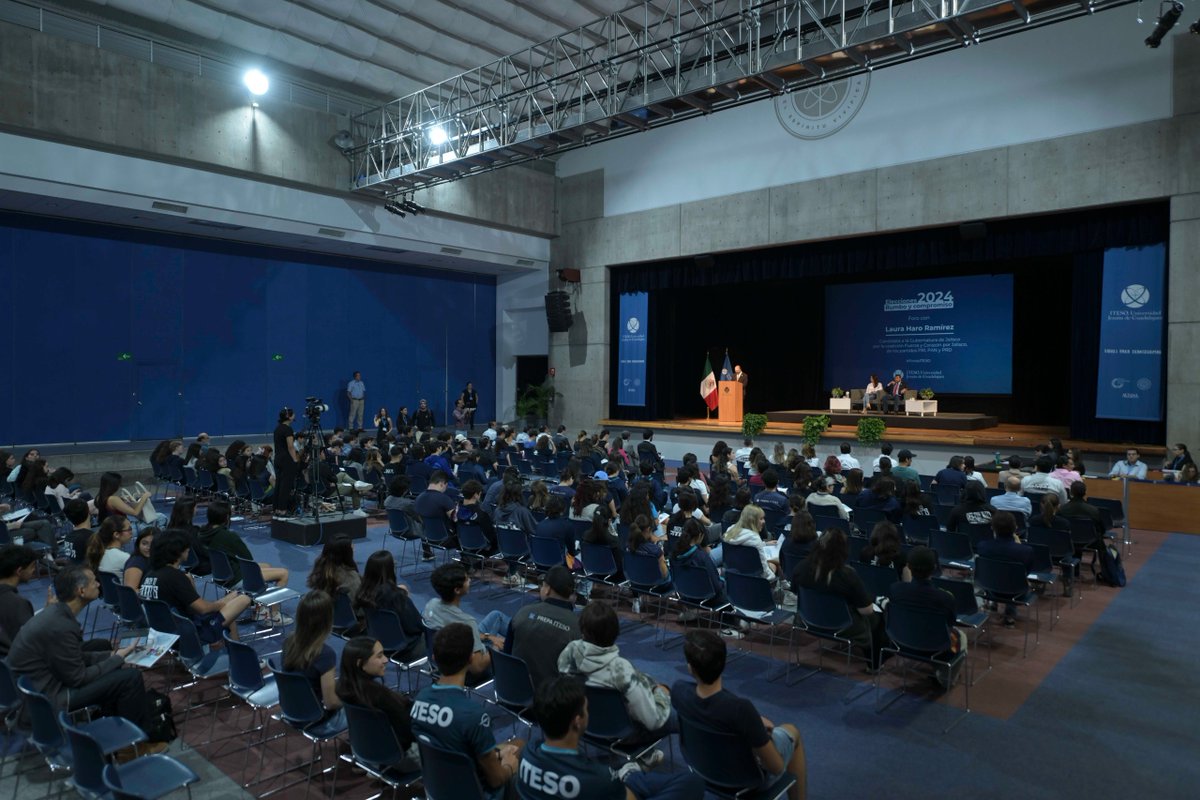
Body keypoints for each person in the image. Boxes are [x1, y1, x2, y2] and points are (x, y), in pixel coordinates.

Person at [9, 565, 155, 736]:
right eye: (94, 582)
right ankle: (129, 746)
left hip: (40, 684)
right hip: (46, 697)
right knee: (131, 678)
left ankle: (108, 719)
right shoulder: (60, 626)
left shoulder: (56, 613)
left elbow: (74, 656)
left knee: (103, 650)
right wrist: (118, 658)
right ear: (81, 591)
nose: (99, 585)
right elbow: (78, 678)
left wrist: (112, 655)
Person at [519, 674, 705, 800]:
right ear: (577, 721)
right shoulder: (598, 778)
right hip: (607, 789)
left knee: (633, 780)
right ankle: (628, 775)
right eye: (586, 709)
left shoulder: (528, 754)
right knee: (692, 782)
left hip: (606, 785)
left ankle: (629, 774)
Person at [671, 630, 807, 800]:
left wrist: (754, 724)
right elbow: (777, 768)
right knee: (791, 731)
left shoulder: (679, 691)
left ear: (690, 668)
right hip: (748, 781)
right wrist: (756, 728)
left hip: (702, 770)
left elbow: (713, 710)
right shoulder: (741, 711)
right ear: (723, 663)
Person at [411, 623, 525, 799]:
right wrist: (510, 766)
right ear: (471, 659)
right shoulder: (473, 715)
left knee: (517, 743)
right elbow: (495, 779)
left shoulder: (420, 699)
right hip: (476, 793)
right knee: (525, 751)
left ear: (434, 657)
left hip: (437, 786)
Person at [557, 601, 673, 762]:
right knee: (675, 713)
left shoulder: (569, 653)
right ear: (615, 632)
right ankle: (642, 760)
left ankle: (646, 756)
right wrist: (662, 694)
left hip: (582, 723)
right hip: (620, 733)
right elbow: (652, 721)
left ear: (582, 629)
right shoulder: (621, 670)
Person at [791, 528, 882, 669]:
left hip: (806, 620)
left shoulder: (800, 568)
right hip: (843, 626)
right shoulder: (848, 575)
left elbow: (796, 593)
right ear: (843, 551)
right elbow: (866, 611)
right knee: (877, 618)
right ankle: (873, 664)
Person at [141, 530, 252, 642]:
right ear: (177, 551)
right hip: (189, 633)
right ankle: (234, 651)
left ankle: (232, 648)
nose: (189, 549)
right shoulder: (175, 576)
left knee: (230, 602)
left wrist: (223, 602)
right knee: (244, 599)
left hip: (163, 631)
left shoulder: (149, 575)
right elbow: (203, 609)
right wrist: (223, 602)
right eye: (186, 547)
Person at [200, 501, 290, 625]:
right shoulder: (228, 536)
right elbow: (248, 558)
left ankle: (258, 610)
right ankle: (274, 616)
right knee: (283, 573)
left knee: (266, 566)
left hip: (219, 576)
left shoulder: (202, 534)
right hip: (236, 578)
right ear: (226, 517)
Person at [885, 546, 963, 689]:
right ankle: (946, 679)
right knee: (960, 636)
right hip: (935, 647)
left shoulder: (895, 589)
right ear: (934, 568)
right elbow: (951, 623)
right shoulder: (945, 598)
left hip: (899, 641)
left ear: (908, 567)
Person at [336, 636, 419, 769]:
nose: (386, 660)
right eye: (379, 656)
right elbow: (410, 732)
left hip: (364, 752)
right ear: (360, 663)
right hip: (397, 759)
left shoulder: (344, 688)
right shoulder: (380, 697)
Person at [503, 565, 580, 690]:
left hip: (514, 692)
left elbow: (506, 657)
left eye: (543, 585)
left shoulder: (522, 613)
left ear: (547, 589)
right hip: (554, 701)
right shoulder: (578, 628)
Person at [423, 562, 510, 671]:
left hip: (442, 660)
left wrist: (489, 637)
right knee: (506, 645)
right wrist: (496, 647)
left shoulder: (430, 605)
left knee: (496, 616)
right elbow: (478, 668)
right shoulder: (467, 622)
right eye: (466, 579)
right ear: (457, 590)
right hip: (465, 670)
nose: (470, 580)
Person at [282, 590, 343, 721]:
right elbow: (330, 703)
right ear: (328, 620)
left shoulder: (288, 642)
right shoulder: (325, 654)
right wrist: (350, 701)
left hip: (289, 708)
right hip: (314, 715)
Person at [355, 550, 426, 660]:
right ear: (390, 569)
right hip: (405, 649)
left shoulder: (363, 593)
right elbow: (416, 627)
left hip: (377, 642)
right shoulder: (397, 596)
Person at [0, 545, 63, 657]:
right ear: (19, 571)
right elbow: (31, 642)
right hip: (19, 667)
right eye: (33, 566)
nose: (34, 570)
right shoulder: (17, 603)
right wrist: (49, 615)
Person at [974, 512, 1032, 627]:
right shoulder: (1026, 551)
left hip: (988, 587)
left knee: (998, 573)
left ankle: (995, 604)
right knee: (1014, 579)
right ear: (1015, 528)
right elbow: (1028, 571)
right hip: (1017, 591)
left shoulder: (982, 546)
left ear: (992, 528)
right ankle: (1009, 613)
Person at [722, 505, 779, 581]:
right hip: (755, 579)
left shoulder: (730, 530)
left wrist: (765, 544)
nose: (764, 521)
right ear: (753, 521)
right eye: (761, 519)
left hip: (736, 574)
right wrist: (773, 577)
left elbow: (743, 548)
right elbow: (764, 571)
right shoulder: (754, 538)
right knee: (775, 563)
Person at [307, 534, 362, 598]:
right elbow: (356, 602)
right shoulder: (351, 576)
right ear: (347, 554)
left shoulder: (321, 567)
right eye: (352, 550)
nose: (354, 551)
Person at [273, 407, 301, 516]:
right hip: (286, 460)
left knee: (279, 485)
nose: (295, 416)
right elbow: (290, 446)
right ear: (289, 417)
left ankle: (277, 509)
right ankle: (283, 510)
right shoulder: (288, 429)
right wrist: (294, 459)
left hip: (278, 458)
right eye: (293, 414)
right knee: (286, 486)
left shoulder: (278, 428)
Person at [60, 498, 95, 564]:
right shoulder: (91, 538)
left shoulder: (68, 538)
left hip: (75, 572)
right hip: (88, 572)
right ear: (88, 512)